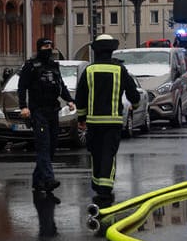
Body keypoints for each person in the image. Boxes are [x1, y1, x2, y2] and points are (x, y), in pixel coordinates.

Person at [75, 34, 140, 205]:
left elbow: (80, 97)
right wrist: (136, 103)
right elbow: (132, 91)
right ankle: (104, 189)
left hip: (93, 122)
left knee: (96, 153)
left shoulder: (89, 70)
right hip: (113, 122)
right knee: (108, 155)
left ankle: (97, 185)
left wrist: (81, 118)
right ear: (111, 51)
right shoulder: (119, 69)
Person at [16, 37, 76, 198]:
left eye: (50, 46)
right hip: (38, 111)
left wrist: (69, 100)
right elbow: (22, 87)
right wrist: (23, 106)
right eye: (45, 46)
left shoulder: (53, 65)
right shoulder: (31, 66)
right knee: (43, 145)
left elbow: (60, 85)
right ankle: (49, 179)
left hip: (53, 110)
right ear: (39, 47)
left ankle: (37, 180)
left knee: (51, 147)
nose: (48, 48)